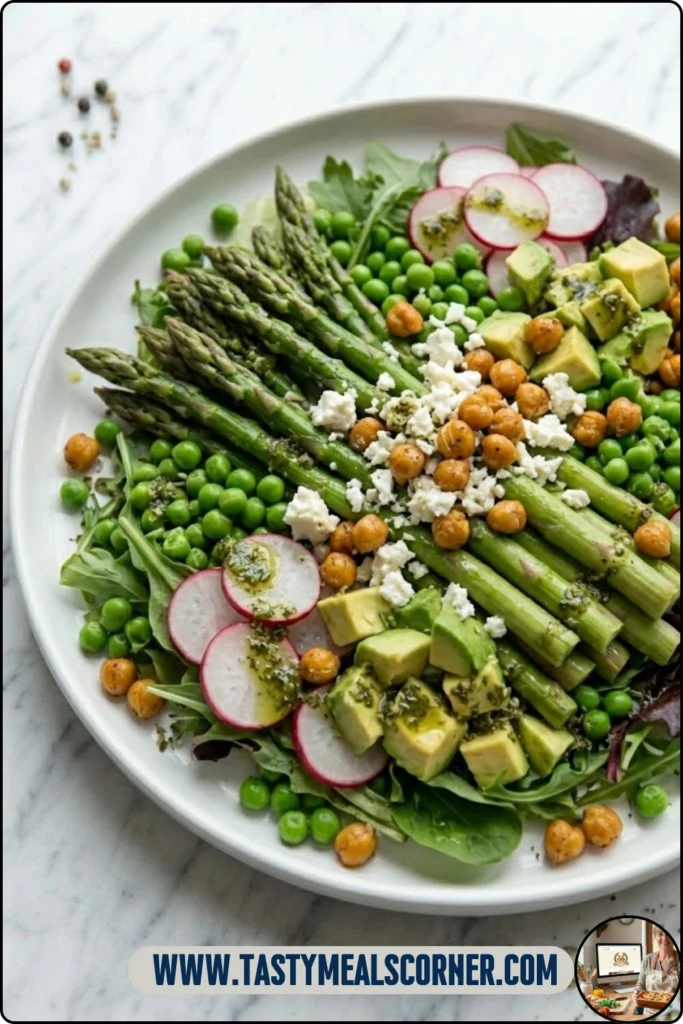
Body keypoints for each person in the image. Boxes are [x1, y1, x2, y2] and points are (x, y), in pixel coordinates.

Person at [633, 927, 679, 1015]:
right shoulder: (647, 959)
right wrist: (636, 993)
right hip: (649, 1014)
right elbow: (641, 985)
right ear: (654, 937)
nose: (665, 938)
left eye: (669, 934)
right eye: (660, 934)